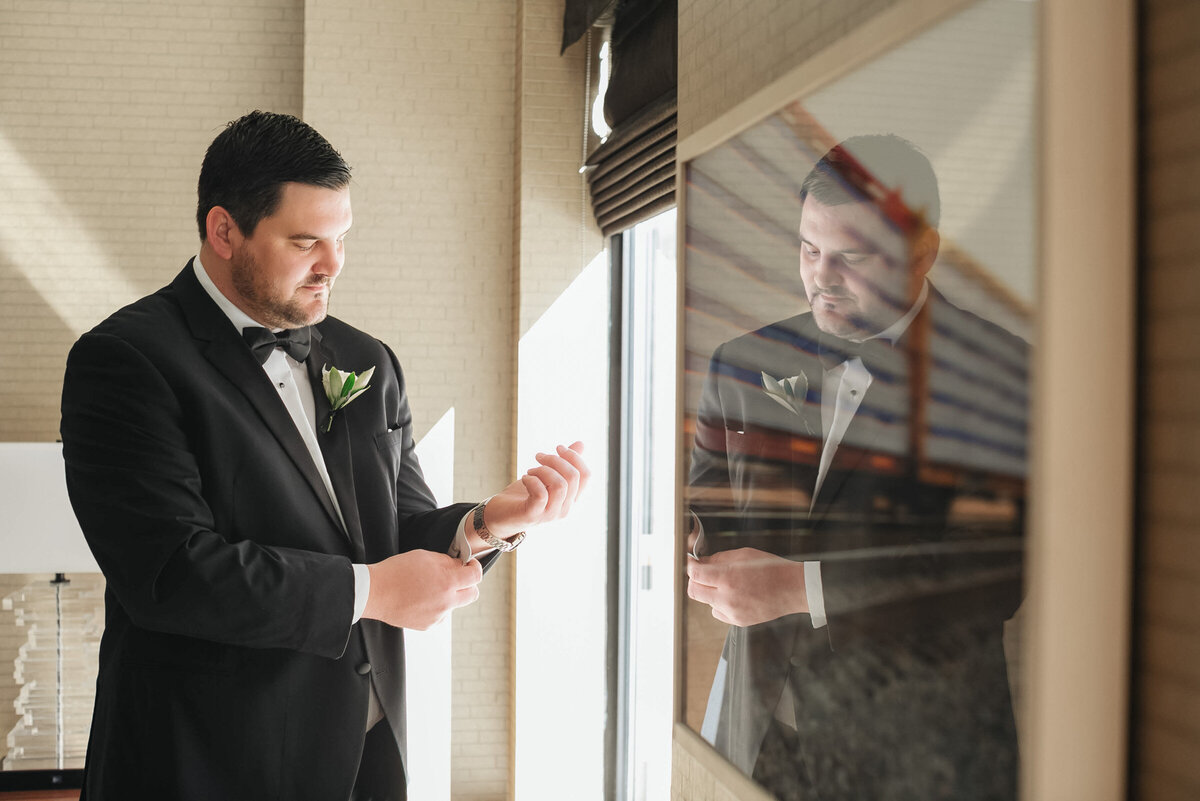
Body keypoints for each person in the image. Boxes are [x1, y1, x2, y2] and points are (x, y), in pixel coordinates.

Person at [60, 110, 588, 801]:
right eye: (306, 241)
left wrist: (486, 523)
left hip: (364, 753)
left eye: (341, 238)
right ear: (224, 230)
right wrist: (370, 591)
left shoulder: (367, 358)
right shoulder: (125, 361)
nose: (333, 265)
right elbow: (171, 574)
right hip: (207, 761)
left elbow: (395, 531)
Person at [685, 135, 1028, 800]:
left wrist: (800, 588)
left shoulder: (1002, 377)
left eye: (850, 256)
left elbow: (996, 572)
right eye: (809, 249)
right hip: (755, 736)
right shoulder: (741, 362)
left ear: (923, 254)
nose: (820, 276)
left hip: (923, 752)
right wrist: (693, 538)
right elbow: (704, 504)